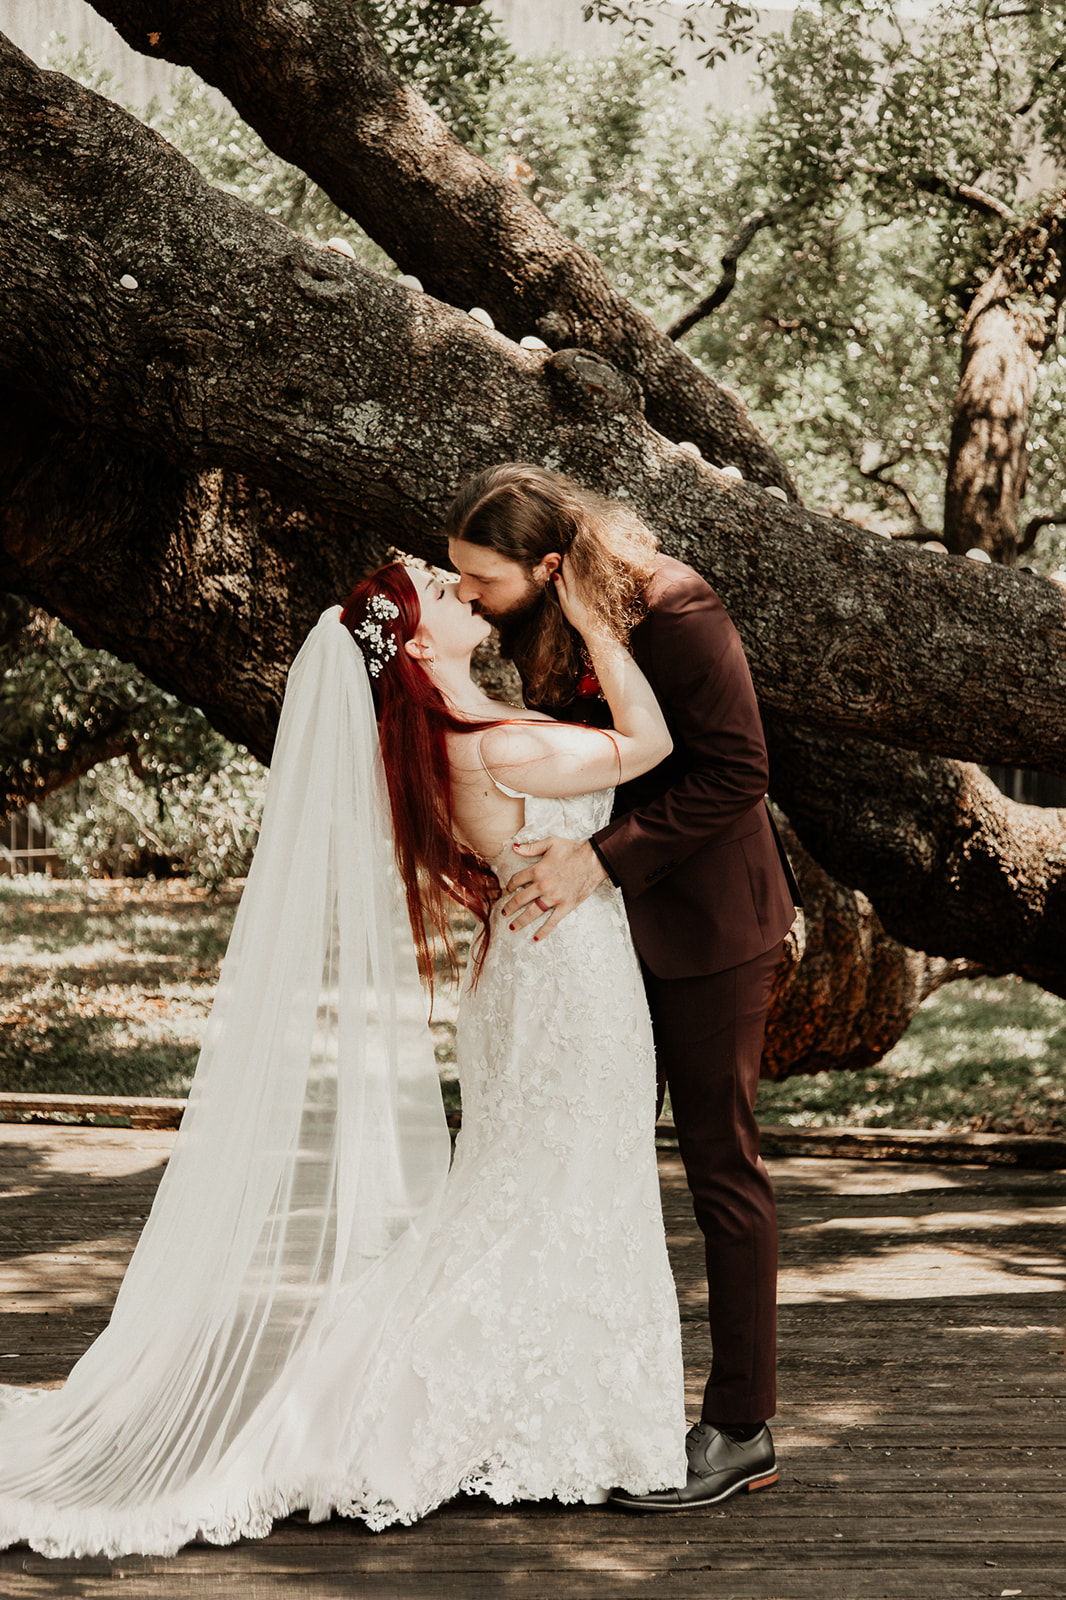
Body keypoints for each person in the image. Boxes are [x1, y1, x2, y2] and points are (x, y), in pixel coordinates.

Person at [0, 557, 686, 1559]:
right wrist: (598, 624)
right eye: (447, 595)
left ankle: (540, 1411)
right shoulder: (487, 742)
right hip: (567, 986)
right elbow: (651, 743)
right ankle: (479, 1413)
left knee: (532, 1190)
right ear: (415, 646)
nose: (467, 593)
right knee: (563, 1183)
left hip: (531, 980)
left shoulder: (445, 743)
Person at [443, 463, 798, 1511]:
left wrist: (598, 859)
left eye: (481, 580)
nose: (467, 597)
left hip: (706, 926)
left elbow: (737, 769)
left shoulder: (675, 607)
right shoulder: (534, 620)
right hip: (595, 938)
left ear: (548, 565)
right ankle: (568, 1401)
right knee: (578, 1163)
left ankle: (741, 1424)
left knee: (718, 1165)